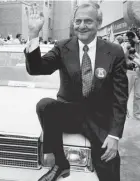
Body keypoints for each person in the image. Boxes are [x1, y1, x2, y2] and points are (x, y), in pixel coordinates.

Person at [24, 3, 128, 181]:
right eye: (78, 21)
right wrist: (34, 34)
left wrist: (114, 135)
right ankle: (61, 164)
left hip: (99, 119)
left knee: (110, 171)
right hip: (70, 112)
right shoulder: (63, 47)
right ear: (73, 23)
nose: (82, 26)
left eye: (88, 21)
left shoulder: (114, 51)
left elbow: (120, 97)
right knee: (45, 106)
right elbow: (36, 68)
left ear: (99, 23)